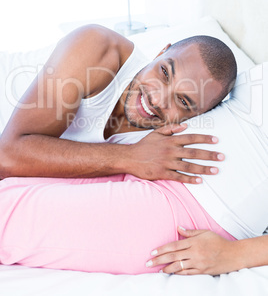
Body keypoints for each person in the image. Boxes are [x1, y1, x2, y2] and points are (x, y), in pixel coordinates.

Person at [0, 62, 266, 275]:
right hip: (152, 161)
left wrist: (234, 254)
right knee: (10, 188)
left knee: (10, 221)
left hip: (194, 211)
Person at [0, 25, 237, 183]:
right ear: (160, 52)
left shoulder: (167, 145)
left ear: (200, 114)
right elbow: (7, 156)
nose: (156, 99)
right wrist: (128, 157)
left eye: (183, 101)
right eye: (164, 72)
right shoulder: (97, 47)